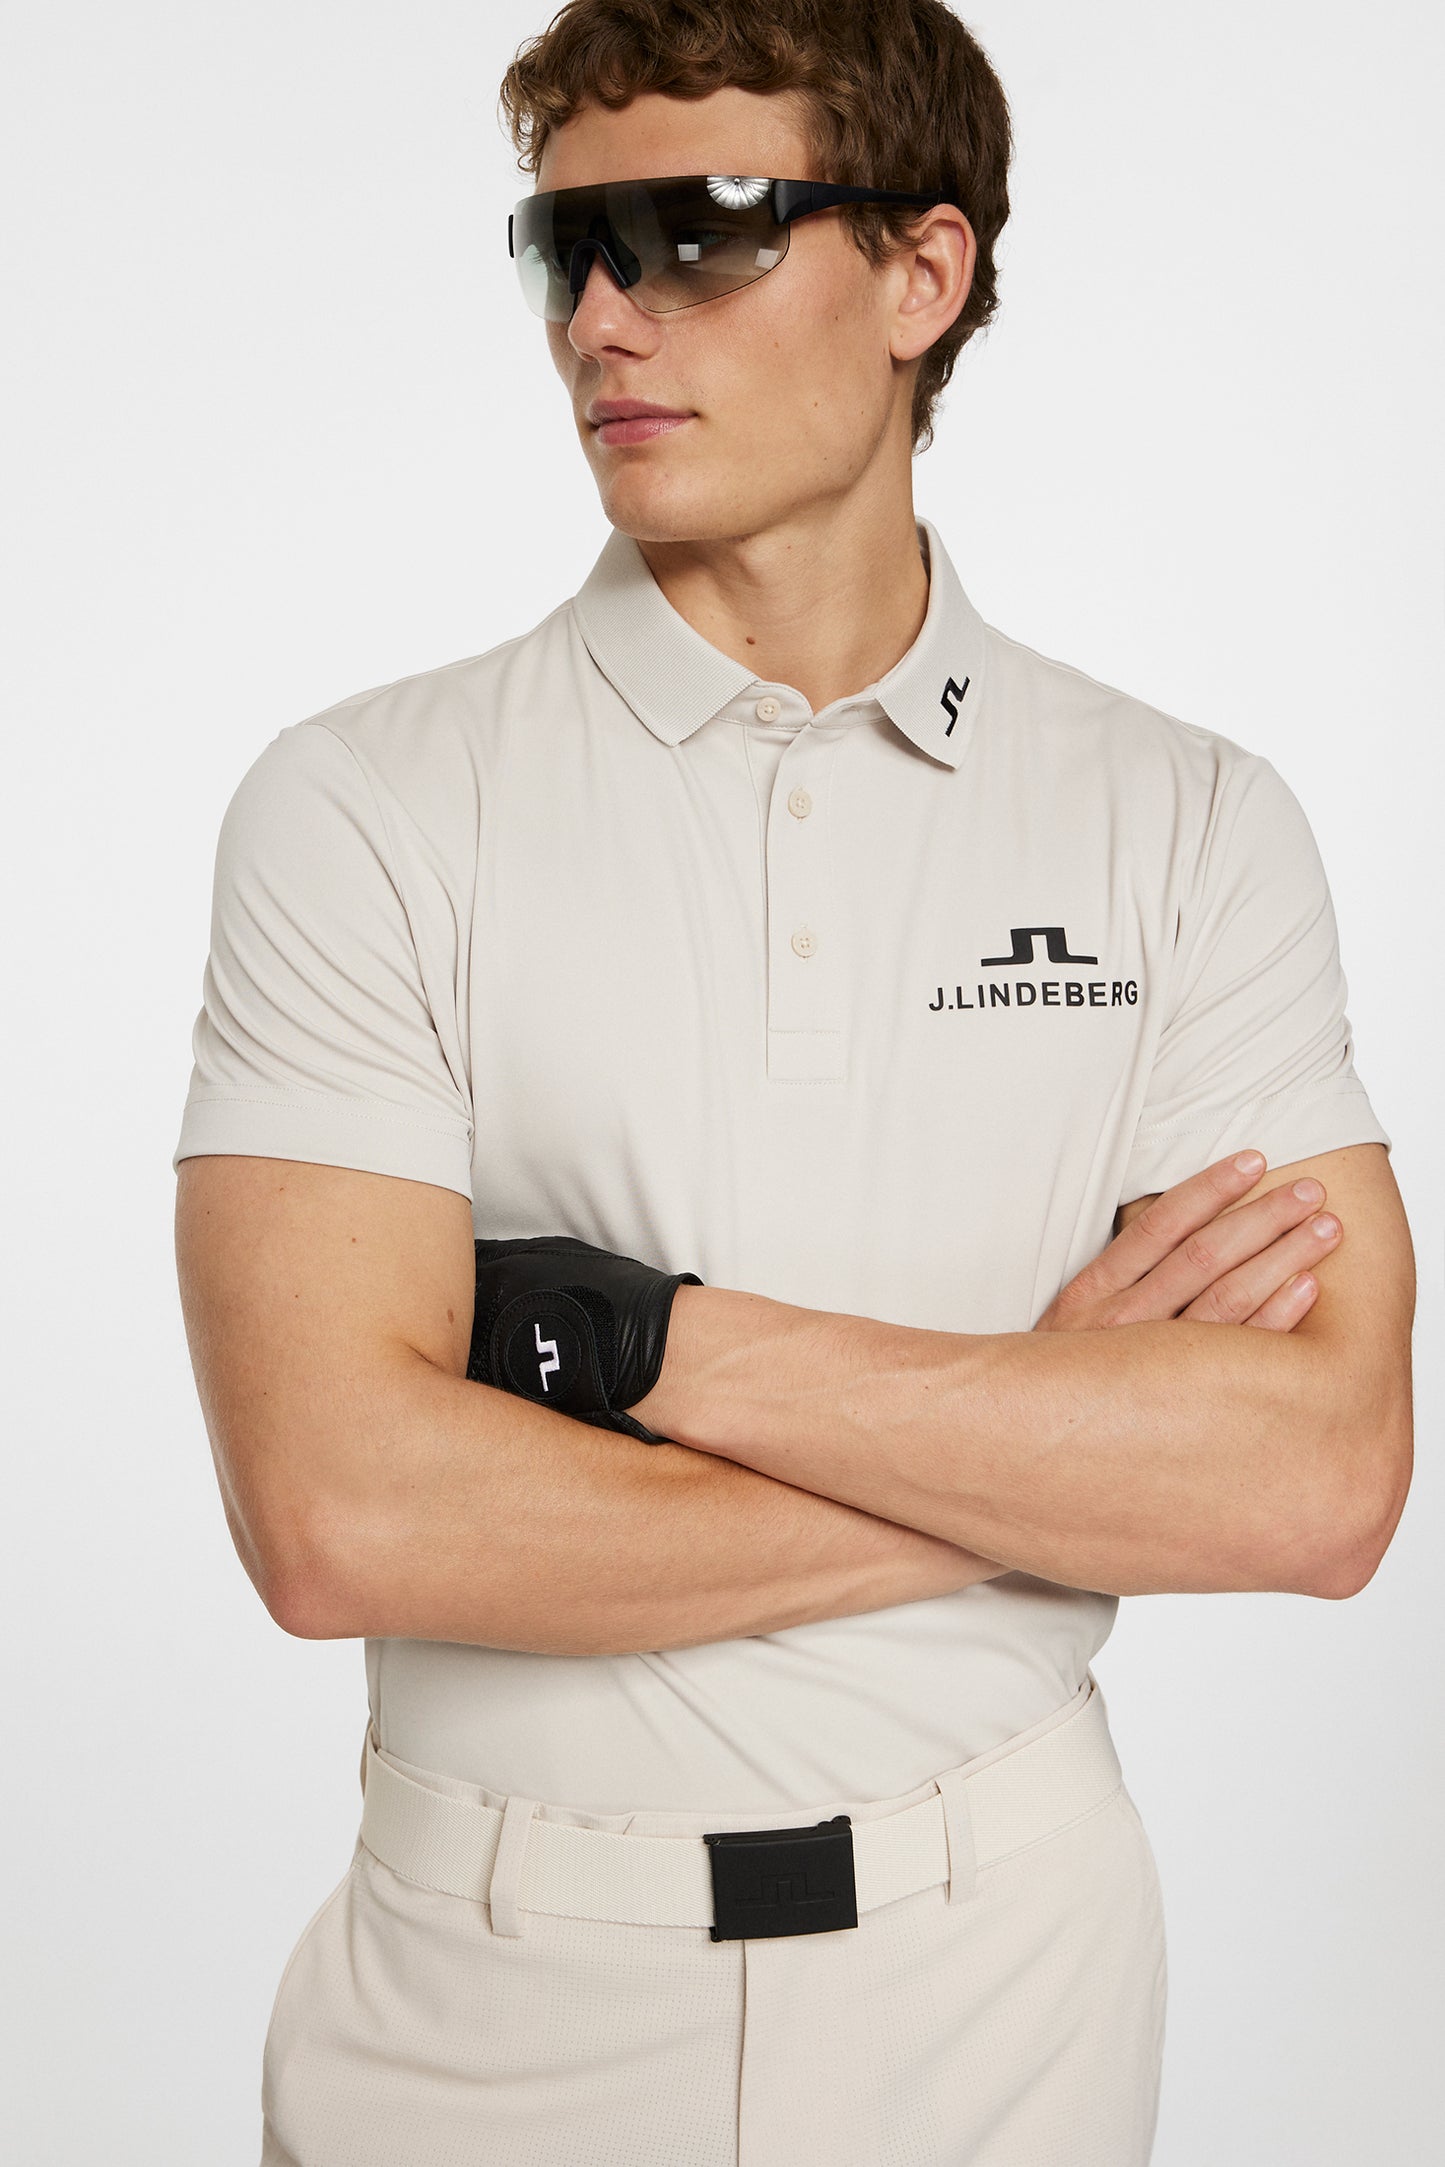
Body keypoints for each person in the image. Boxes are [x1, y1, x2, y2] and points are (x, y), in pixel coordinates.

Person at [171, 3, 1415, 2161]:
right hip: (486, 2009)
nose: (601, 319)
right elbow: (340, 1515)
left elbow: (1312, 1485)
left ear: (921, 274)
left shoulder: (1190, 823)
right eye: (563, 247)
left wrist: (646, 1344)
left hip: (1008, 1984)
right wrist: (1044, 1433)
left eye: (701, 230)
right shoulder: (365, 807)